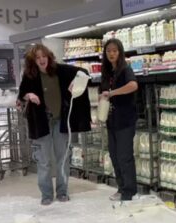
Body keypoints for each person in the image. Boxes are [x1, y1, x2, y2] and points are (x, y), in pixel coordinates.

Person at [18, 44, 91, 205]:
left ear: (49, 57)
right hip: (41, 123)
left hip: (61, 122)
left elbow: (84, 73)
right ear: (33, 61)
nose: (41, 59)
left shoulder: (61, 70)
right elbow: (22, 94)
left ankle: (62, 192)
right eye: (37, 57)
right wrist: (29, 95)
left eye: (43, 56)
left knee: (63, 158)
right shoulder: (30, 76)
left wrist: (77, 82)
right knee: (43, 161)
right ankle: (46, 194)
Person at [99, 38, 138, 201]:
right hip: (111, 120)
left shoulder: (125, 69)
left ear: (120, 52)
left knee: (124, 156)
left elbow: (133, 86)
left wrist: (113, 93)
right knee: (114, 156)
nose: (111, 53)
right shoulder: (107, 73)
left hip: (125, 120)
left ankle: (129, 191)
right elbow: (102, 93)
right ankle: (121, 188)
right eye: (108, 51)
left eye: (114, 50)